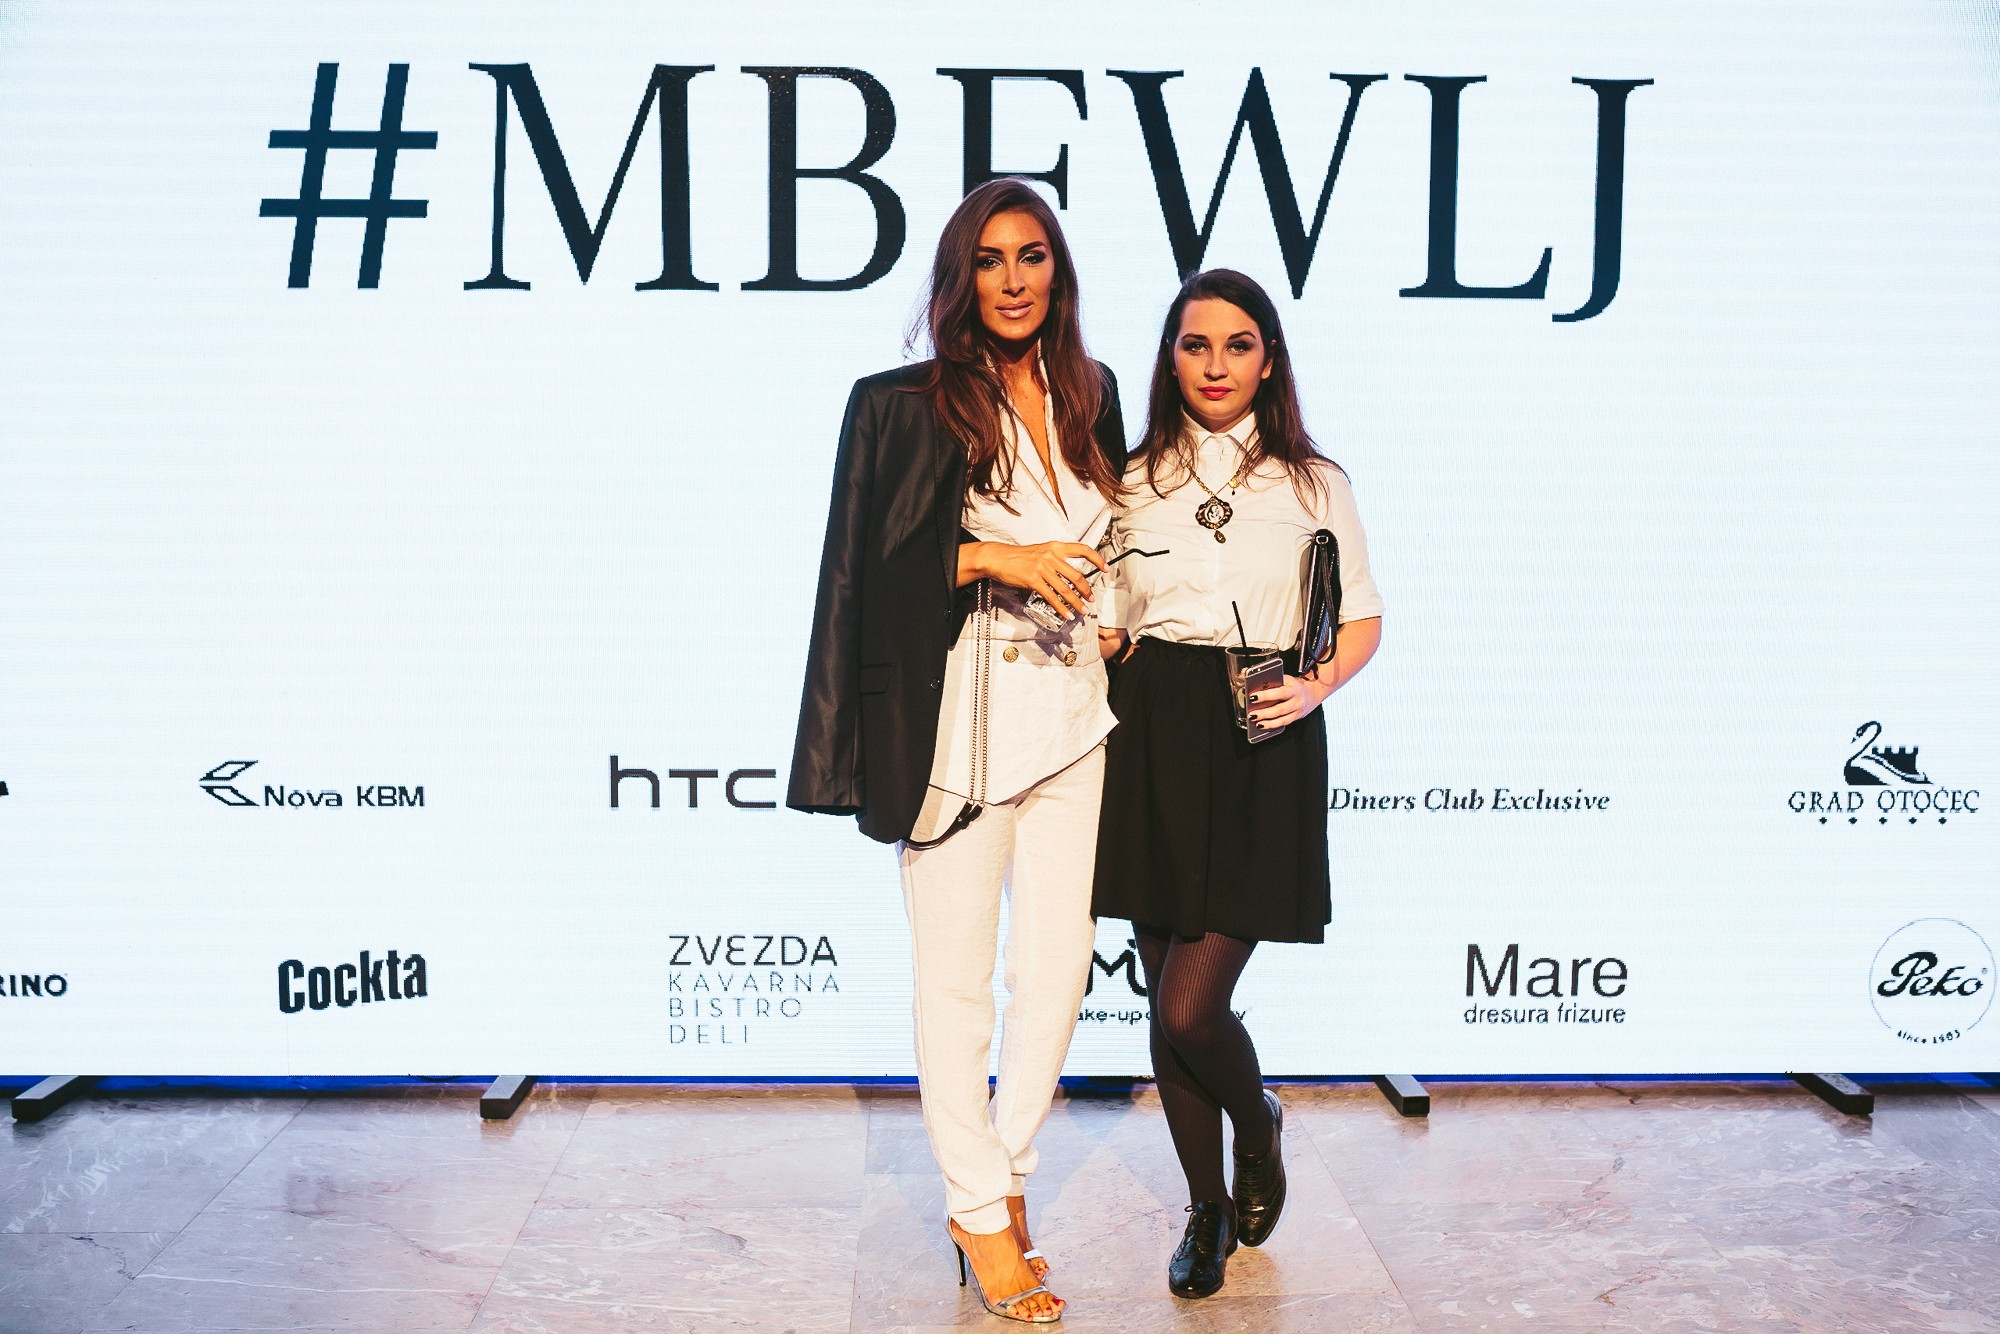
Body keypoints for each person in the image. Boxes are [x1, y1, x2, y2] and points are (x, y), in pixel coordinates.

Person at [787, 177, 1128, 1324]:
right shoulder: (901, 404)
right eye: (989, 259)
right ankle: (979, 1212)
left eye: (1031, 255)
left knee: (1059, 968)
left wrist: (1114, 608)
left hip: (1074, 711)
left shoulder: (1090, 392)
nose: (1013, 279)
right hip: (956, 719)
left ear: (1056, 272)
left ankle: (1006, 1170)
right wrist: (995, 558)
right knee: (954, 982)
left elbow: (1111, 531)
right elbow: (865, 565)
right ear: (958, 278)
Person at [1094, 268, 1384, 1299]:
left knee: (1188, 1006)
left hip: (1263, 733)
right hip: (1149, 731)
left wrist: (1316, 686)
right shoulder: (1125, 479)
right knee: (1163, 997)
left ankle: (1255, 1126)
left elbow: (1362, 617)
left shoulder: (1315, 482)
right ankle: (1207, 1207)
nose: (1214, 364)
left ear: (1268, 359)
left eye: (1237, 344)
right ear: (1169, 358)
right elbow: (1109, 617)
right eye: (1194, 344)